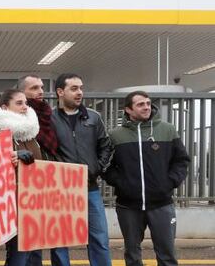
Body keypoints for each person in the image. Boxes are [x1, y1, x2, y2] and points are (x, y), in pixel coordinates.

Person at [103, 91, 189, 266]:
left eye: (148, 103)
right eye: (140, 104)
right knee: (132, 255)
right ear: (128, 109)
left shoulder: (167, 129)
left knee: (167, 255)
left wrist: (169, 182)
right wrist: (122, 183)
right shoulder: (115, 135)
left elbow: (181, 161)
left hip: (162, 204)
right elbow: (106, 166)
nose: (146, 107)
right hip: (128, 205)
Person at [51, 73, 112, 266]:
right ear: (60, 92)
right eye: (74, 88)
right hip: (60, 189)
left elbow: (106, 146)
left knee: (99, 239)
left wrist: (97, 168)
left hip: (90, 188)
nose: (80, 93)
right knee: (59, 240)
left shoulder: (93, 117)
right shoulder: (48, 119)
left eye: (81, 88)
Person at [17, 74, 69, 266]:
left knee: (49, 234)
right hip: (24, 187)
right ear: (21, 92)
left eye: (41, 87)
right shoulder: (15, 120)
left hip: (48, 182)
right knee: (27, 243)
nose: (40, 91)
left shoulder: (48, 114)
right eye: (34, 88)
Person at [0, 88, 40, 266]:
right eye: (19, 103)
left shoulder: (31, 134)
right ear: (4, 107)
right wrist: (10, 157)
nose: (25, 107)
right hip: (8, 201)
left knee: (26, 251)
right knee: (18, 252)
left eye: (26, 103)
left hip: (30, 198)